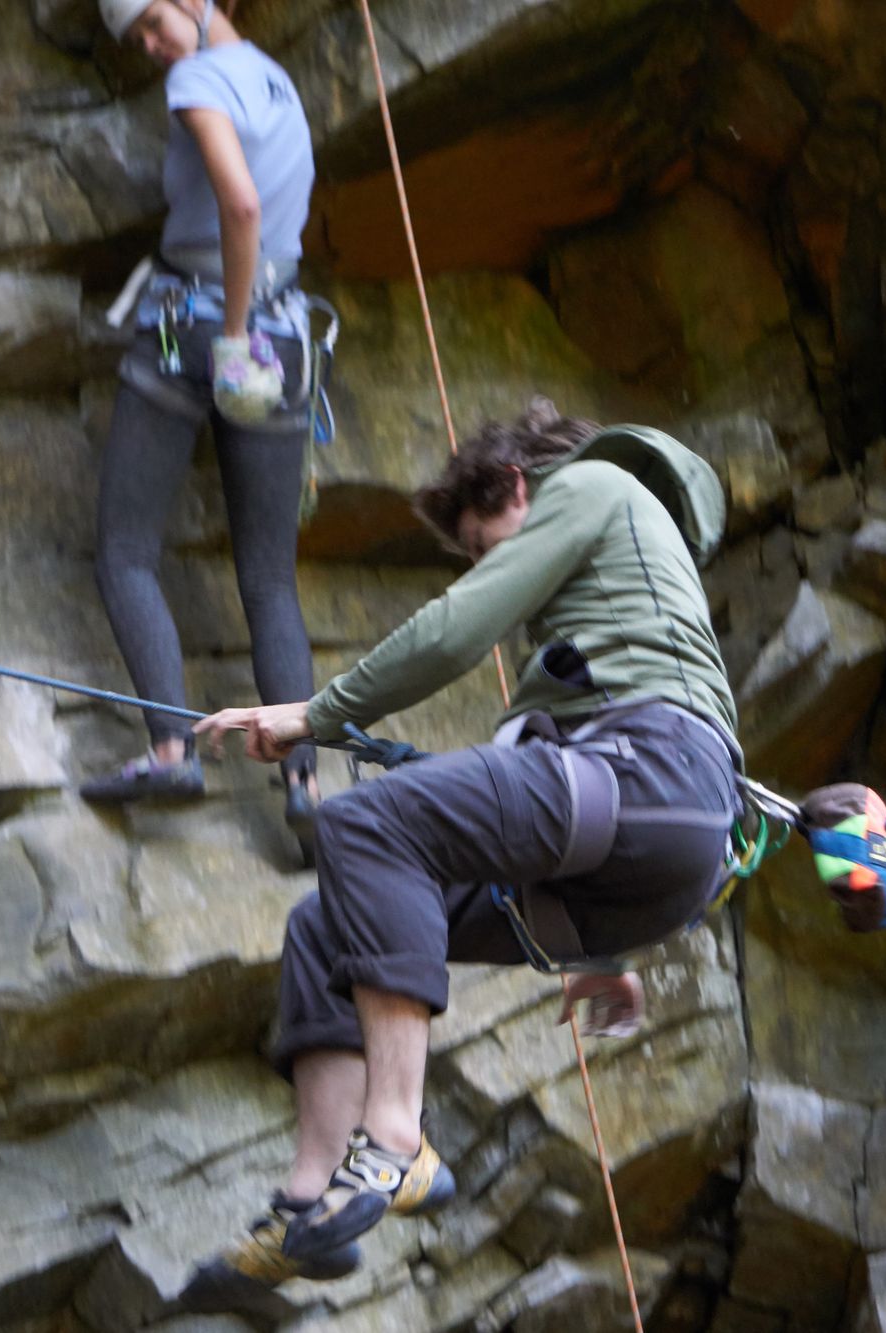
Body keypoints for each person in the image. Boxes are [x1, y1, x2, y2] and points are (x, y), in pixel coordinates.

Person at [181, 398, 745, 1308]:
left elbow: (456, 628)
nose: (494, 565)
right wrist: (603, 953)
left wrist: (314, 716)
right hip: (642, 849)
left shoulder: (592, 485)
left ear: (517, 486)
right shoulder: (613, 609)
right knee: (329, 926)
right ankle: (312, 1197)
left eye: (486, 543)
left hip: (645, 774)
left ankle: (395, 1136)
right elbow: (530, 786)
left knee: (367, 826)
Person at [80, 0, 324, 852]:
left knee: (125, 550)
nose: (149, 48)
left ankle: (170, 748)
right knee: (269, 577)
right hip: (287, 337)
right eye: (137, 40)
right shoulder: (280, 84)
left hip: (199, 330)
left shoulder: (197, 78)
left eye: (150, 21)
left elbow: (243, 205)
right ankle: (306, 787)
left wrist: (226, 333)